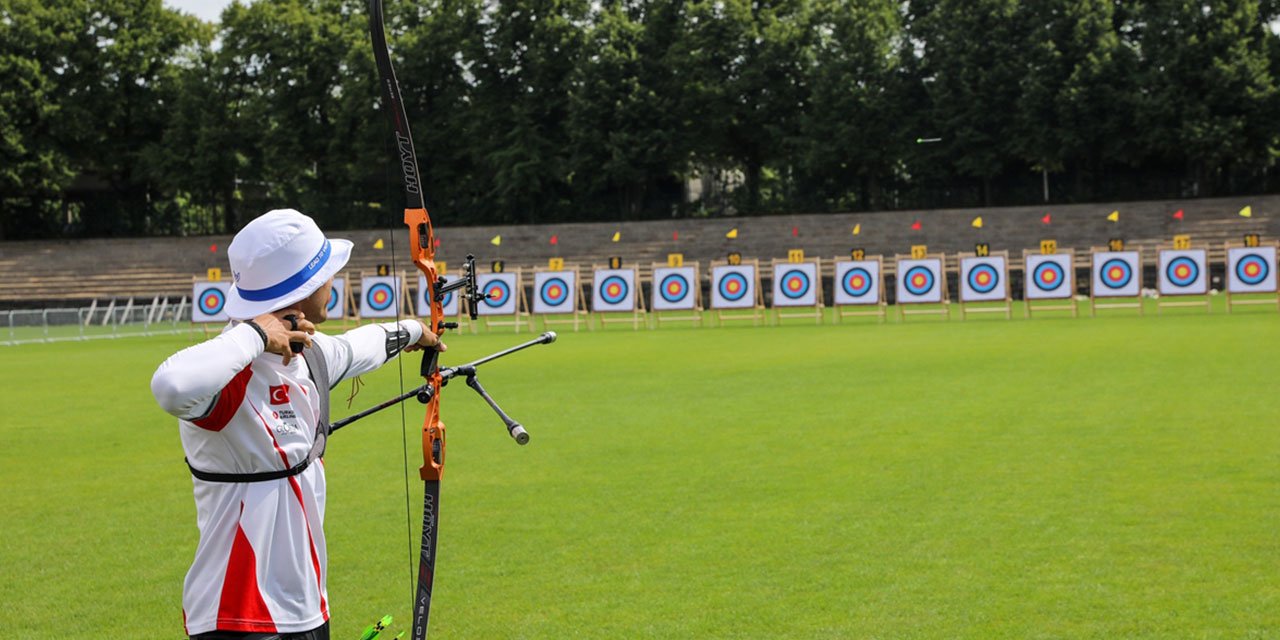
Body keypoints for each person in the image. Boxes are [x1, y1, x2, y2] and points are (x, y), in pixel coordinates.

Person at [151, 209, 444, 639]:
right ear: (304, 288)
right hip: (237, 614)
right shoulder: (227, 376)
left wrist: (415, 329)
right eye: (327, 274)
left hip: (305, 607)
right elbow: (171, 385)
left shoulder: (311, 354)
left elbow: (358, 346)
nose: (333, 282)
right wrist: (255, 333)